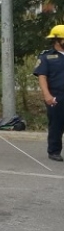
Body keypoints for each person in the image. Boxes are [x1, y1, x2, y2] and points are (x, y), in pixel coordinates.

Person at [33, 25, 64, 161]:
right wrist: (47, 95)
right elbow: (42, 76)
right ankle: (54, 151)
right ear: (57, 40)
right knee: (56, 124)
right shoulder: (46, 56)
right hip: (56, 96)